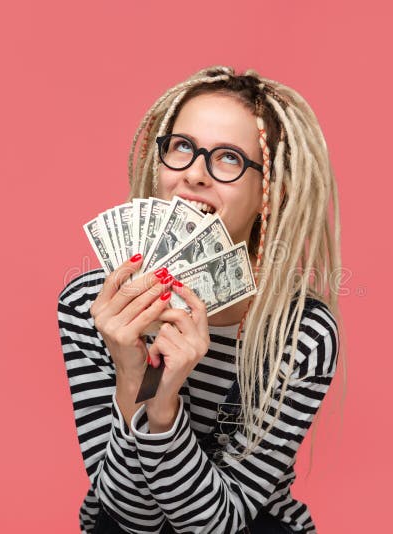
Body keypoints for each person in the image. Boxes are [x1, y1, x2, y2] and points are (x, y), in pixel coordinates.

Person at [58, 66, 343, 534]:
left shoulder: (301, 337)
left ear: (269, 194)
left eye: (229, 158)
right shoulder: (91, 307)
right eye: (183, 147)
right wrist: (135, 376)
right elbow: (131, 519)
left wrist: (165, 403)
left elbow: (218, 524)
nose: (194, 173)